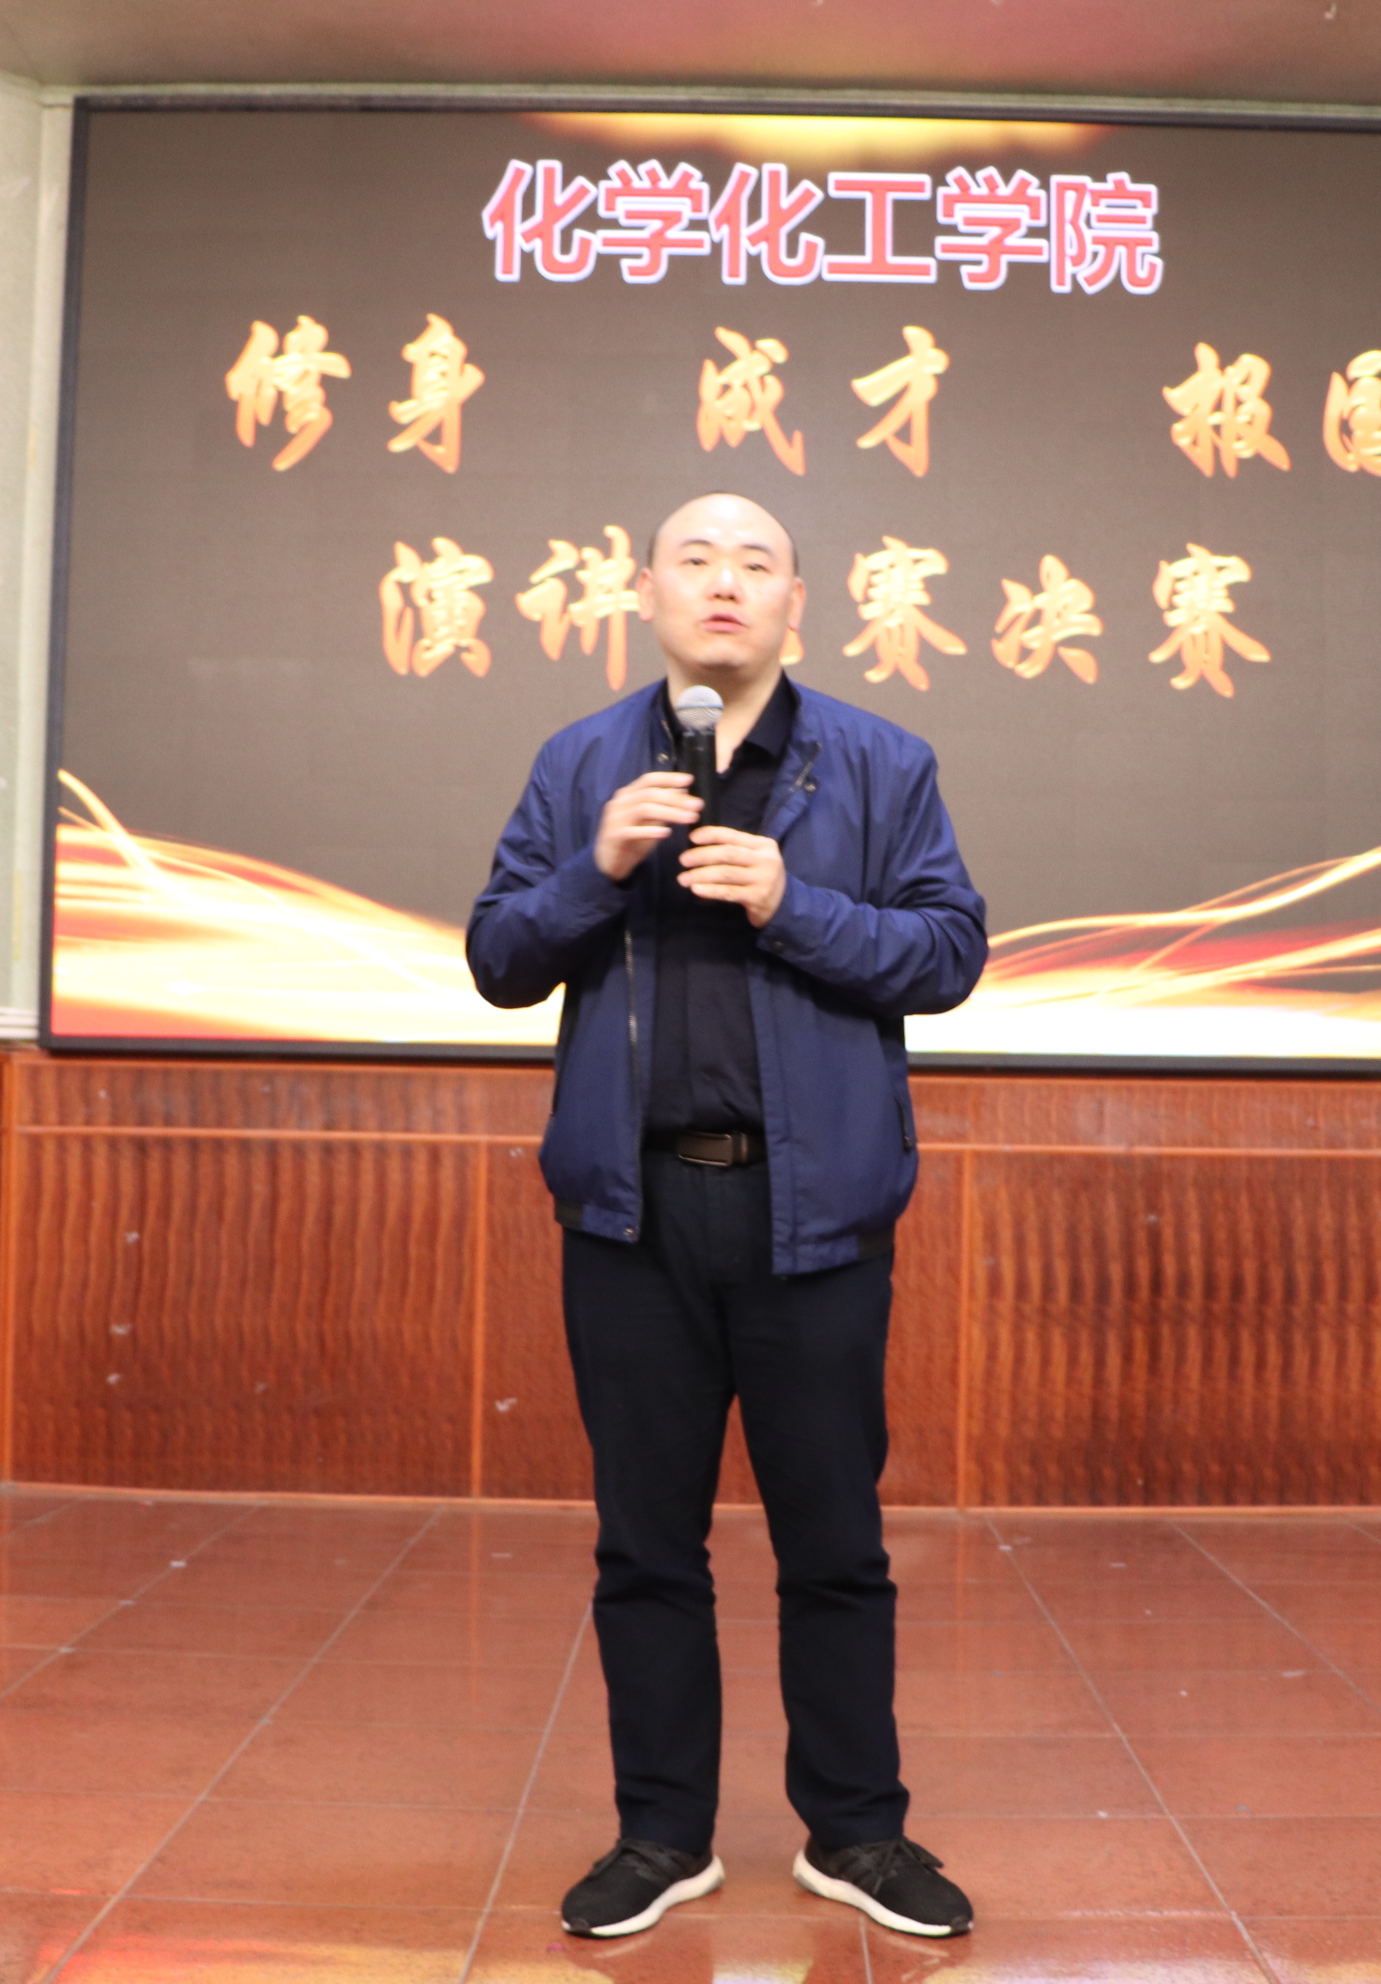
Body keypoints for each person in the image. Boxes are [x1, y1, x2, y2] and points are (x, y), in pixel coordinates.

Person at [466, 492, 988, 1940]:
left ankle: (857, 1833)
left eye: (756, 564)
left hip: (813, 1216)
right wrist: (596, 870)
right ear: (646, 591)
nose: (724, 584)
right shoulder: (581, 764)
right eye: (695, 560)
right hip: (631, 1216)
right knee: (646, 1545)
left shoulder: (882, 763)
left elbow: (950, 954)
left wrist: (790, 903)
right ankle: (661, 1834)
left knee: (836, 1543)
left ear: (796, 604)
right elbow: (499, 959)